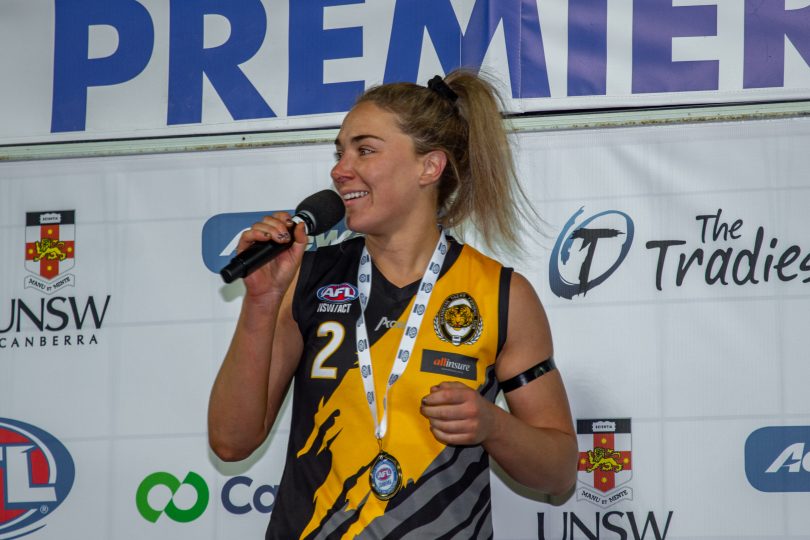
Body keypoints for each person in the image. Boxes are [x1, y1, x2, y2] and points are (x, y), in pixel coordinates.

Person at [208, 69, 578, 539]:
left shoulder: (501, 293)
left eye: (364, 150)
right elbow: (230, 442)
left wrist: (493, 426)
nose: (340, 169)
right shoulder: (306, 277)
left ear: (430, 167)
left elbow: (560, 472)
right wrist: (261, 302)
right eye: (339, 151)